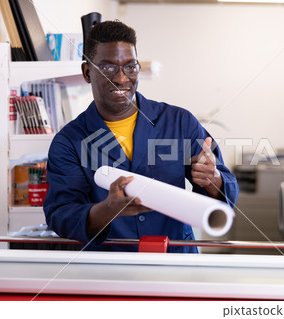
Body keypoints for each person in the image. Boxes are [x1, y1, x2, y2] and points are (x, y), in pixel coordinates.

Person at [43, 20, 239, 253]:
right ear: (87, 72)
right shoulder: (69, 142)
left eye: (130, 67)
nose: (121, 78)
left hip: (175, 260)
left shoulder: (179, 122)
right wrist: (108, 208)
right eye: (107, 68)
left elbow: (228, 192)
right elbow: (61, 215)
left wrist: (213, 179)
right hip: (108, 268)